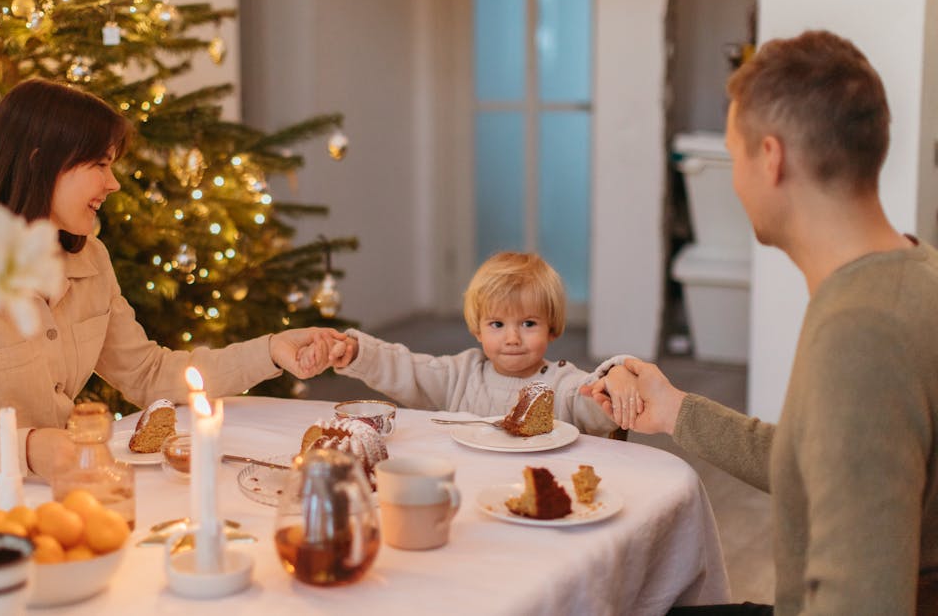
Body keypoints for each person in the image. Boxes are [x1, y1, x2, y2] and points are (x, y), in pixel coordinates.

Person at [585, 30, 938, 615]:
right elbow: (822, 459)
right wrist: (675, 410)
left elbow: (863, 600)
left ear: (770, 158)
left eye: (734, 153)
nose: (733, 178)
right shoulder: (911, 272)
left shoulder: (863, 332)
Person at [0, 78, 346, 494]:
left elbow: (150, 373)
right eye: (98, 163)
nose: (112, 183)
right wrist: (24, 449)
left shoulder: (89, 260)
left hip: (62, 507)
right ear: (39, 162)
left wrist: (271, 351)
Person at [311, 251, 639, 436]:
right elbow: (405, 368)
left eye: (528, 323)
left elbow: (598, 406)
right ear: (477, 330)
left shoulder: (564, 385)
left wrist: (615, 381)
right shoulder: (459, 374)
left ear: (552, 328)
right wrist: (359, 352)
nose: (512, 338)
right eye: (497, 324)